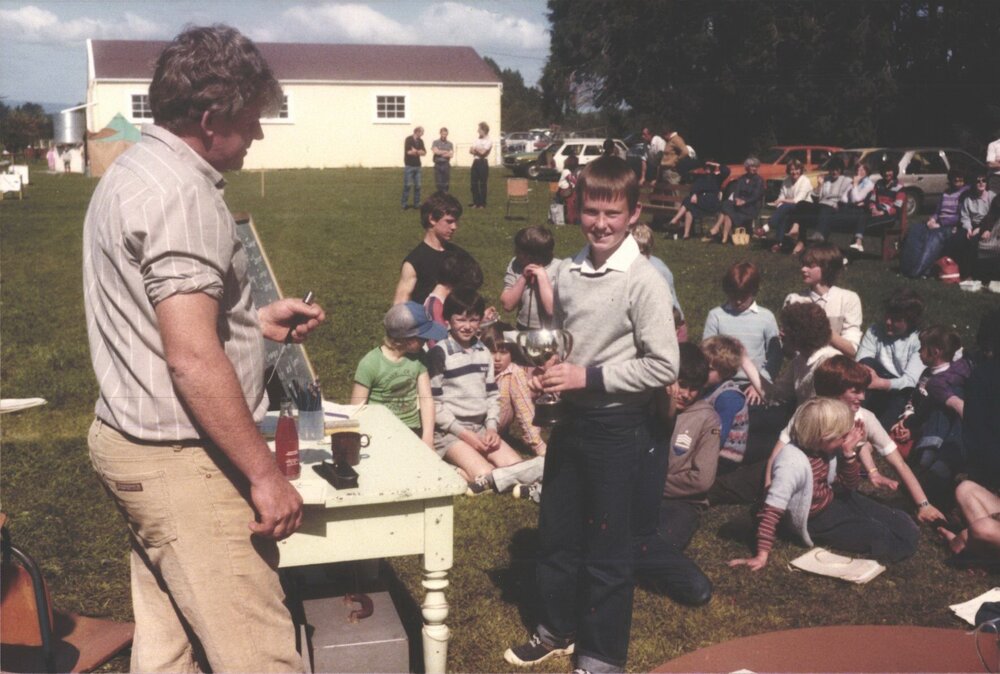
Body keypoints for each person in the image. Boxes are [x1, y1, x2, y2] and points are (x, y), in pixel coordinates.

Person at [82, 25, 326, 672]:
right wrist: (265, 474)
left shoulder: (134, 168)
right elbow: (190, 358)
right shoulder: (183, 197)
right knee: (261, 657)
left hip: (134, 446)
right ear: (212, 119)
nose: (259, 134)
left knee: (169, 649)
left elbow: (158, 319)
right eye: (251, 120)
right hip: (184, 462)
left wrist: (254, 322)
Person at [503, 156, 678, 674]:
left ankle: (601, 656)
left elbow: (664, 365)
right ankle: (556, 629)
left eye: (612, 213)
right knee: (556, 534)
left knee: (607, 548)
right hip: (570, 422)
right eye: (591, 212)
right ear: (576, 208)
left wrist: (587, 377)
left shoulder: (644, 280)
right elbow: (566, 340)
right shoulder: (569, 271)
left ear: (634, 214)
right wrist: (551, 370)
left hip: (618, 429)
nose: (600, 224)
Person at [728, 398, 919, 571]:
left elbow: (850, 485)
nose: (845, 438)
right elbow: (771, 510)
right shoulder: (791, 463)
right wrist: (762, 555)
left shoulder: (824, 450)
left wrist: (848, 454)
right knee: (882, 536)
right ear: (824, 436)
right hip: (814, 518)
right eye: (842, 435)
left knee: (901, 523)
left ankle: (901, 532)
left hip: (831, 498)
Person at [770, 356, 945, 523]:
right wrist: (769, 492)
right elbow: (778, 454)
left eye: (863, 390)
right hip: (800, 484)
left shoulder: (865, 418)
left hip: (837, 489)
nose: (862, 397)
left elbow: (899, 463)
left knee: (899, 523)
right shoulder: (809, 413)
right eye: (855, 391)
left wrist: (924, 505)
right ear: (833, 391)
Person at [632, 343, 716, 607]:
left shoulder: (707, 419)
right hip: (639, 496)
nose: (687, 394)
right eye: (682, 384)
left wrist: (652, 483)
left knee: (655, 542)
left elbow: (701, 480)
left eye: (694, 388)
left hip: (680, 503)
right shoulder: (648, 405)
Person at [428, 288, 524, 494]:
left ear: (480, 321)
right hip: (450, 433)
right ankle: (452, 469)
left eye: (473, 320)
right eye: (461, 319)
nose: (467, 326)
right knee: (486, 475)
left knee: (517, 468)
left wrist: (491, 428)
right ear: (448, 319)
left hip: (480, 428)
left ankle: (473, 466)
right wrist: (465, 435)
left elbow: (492, 395)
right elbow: (435, 405)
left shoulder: (483, 352)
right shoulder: (439, 353)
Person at [351, 302, 445, 448]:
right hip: (379, 432)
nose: (427, 340)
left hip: (411, 430)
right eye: (423, 337)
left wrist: (427, 436)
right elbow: (356, 409)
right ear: (405, 338)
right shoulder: (370, 363)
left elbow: (426, 399)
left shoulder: (418, 357)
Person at [703, 261, 782, 391]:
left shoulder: (766, 317)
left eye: (743, 297)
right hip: (721, 382)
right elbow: (707, 353)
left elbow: (775, 356)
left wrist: (761, 383)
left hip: (755, 382)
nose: (738, 301)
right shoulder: (716, 315)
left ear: (754, 291)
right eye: (733, 296)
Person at [856, 287, 926, 429]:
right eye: (887, 316)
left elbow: (910, 380)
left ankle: (878, 432)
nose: (888, 322)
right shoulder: (875, 330)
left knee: (902, 396)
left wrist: (880, 383)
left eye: (895, 320)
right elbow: (862, 360)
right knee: (864, 367)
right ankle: (855, 421)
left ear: (910, 321)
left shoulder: (918, 340)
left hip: (901, 389)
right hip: (875, 380)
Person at [784, 242, 863, 358]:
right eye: (803, 264)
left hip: (836, 365)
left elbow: (852, 350)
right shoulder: (794, 300)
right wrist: (788, 340)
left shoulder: (848, 299)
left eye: (810, 265)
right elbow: (789, 353)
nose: (803, 269)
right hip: (803, 365)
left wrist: (822, 330)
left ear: (827, 267)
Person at [480, 322, 547, 458]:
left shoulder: (514, 372)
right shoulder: (478, 369)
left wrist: (538, 444)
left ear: (512, 353)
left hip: (495, 430)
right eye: (492, 352)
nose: (497, 358)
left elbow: (525, 409)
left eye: (503, 352)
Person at [393, 191, 469, 305]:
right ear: (432, 219)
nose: (454, 227)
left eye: (456, 221)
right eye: (449, 221)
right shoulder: (414, 262)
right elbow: (399, 306)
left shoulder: (459, 255)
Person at [899, 170, 969, 278]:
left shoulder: (964, 194)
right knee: (915, 229)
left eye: (961, 180)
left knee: (934, 236)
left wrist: (941, 224)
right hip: (938, 223)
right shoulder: (945, 193)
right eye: (956, 180)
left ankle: (917, 270)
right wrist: (932, 219)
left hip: (952, 227)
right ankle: (907, 266)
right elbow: (937, 212)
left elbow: (961, 215)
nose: (959, 183)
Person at [630, 223, 686, 342]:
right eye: (634, 253)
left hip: (671, 321)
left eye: (643, 252)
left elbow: (669, 302)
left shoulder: (658, 270)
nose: (639, 257)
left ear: (650, 250)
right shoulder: (627, 268)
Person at [500, 225, 559, 331]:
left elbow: (552, 310)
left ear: (533, 255)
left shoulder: (559, 268)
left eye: (519, 252)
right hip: (522, 327)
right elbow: (507, 305)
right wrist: (523, 277)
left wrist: (542, 277)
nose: (515, 253)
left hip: (551, 330)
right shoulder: (516, 264)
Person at [705, 156, 764, 245]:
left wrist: (744, 201)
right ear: (747, 167)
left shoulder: (759, 180)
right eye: (752, 166)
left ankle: (716, 229)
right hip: (739, 204)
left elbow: (756, 196)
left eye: (756, 167)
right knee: (727, 206)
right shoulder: (742, 178)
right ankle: (724, 238)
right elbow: (736, 191)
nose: (754, 169)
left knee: (727, 211)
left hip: (751, 206)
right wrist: (736, 199)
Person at [668, 160, 730, 239]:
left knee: (688, 202)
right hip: (701, 201)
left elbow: (727, 171)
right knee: (689, 208)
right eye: (706, 167)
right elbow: (694, 186)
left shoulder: (717, 178)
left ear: (713, 168)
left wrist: (716, 164)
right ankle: (686, 234)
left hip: (712, 202)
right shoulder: (701, 178)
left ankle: (674, 220)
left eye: (710, 167)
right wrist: (694, 194)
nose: (708, 169)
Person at [952, 170, 996, 279]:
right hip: (971, 225)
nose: (981, 183)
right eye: (978, 181)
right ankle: (956, 270)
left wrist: (981, 229)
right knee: (959, 238)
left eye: (984, 180)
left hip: (988, 225)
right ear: (973, 183)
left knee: (973, 242)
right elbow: (965, 216)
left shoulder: (992, 197)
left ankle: (969, 274)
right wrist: (968, 228)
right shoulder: (969, 198)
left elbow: (993, 216)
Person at [768, 159, 814, 254]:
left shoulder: (805, 181)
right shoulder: (786, 181)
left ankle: (769, 225)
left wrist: (782, 201)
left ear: (801, 170)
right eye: (792, 169)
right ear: (789, 170)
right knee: (784, 214)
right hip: (789, 207)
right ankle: (778, 243)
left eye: (797, 169)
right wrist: (780, 203)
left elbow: (798, 200)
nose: (794, 172)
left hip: (804, 208)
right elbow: (781, 196)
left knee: (785, 207)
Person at [806, 156, 852, 242]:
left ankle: (819, 234)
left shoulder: (847, 180)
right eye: (832, 169)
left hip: (835, 206)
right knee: (802, 204)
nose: (834, 172)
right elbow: (815, 197)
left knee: (825, 209)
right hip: (822, 205)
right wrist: (819, 185)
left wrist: (837, 204)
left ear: (841, 170)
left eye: (837, 169)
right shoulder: (826, 179)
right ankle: (797, 234)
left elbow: (845, 198)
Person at [836, 161, 876, 252]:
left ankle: (857, 243)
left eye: (862, 170)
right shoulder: (855, 182)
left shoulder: (869, 184)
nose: (859, 172)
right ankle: (857, 243)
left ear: (867, 171)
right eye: (857, 169)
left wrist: (855, 185)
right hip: (849, 209)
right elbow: (843, 198)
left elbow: (856, 199)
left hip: (860, 211)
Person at [401, 126, 426, 210]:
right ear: (417, 132)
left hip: (417, 166)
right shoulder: (408, 139)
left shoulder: (420, 141)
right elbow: (408, 152)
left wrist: (416, 151)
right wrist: (418, 152)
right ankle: (404, 204)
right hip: (409, 165)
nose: (422, 134)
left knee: (418, 186)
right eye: (422, 132)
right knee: (407, 185)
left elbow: (424, 152)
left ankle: (417, 203)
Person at [469, 121, 492, 208]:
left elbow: (483, 153)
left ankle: (482, 203)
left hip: (483, 162)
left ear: (484, 130)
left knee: (482, 183)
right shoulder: (477, 139)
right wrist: (478, 150)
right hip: (475, 162)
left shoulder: (489, 141)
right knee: (473, 183)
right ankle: (476, 202)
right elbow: (470, 150)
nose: (478, 131)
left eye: (479, 129)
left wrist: (476, 150)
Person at [555, 154, 581, 225]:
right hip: (565, 191)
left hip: (571, 190)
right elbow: (572, 180)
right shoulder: (566, 171)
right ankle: (571, 220)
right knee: (571, 203)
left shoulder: (574, 171)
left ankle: (575, 218)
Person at [431, 127, 454, 193]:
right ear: (440, 133)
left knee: (446, 183)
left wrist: (440, 152)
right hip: (438, 164)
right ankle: (440, 196)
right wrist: (446, 151)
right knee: (438, 183)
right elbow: (436, 152)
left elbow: (451, 155)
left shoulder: (450, 144)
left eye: (445, 134)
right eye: (443, 134)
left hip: (446, 164)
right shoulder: (435, 142)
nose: (444, 136)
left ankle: (445, 196)